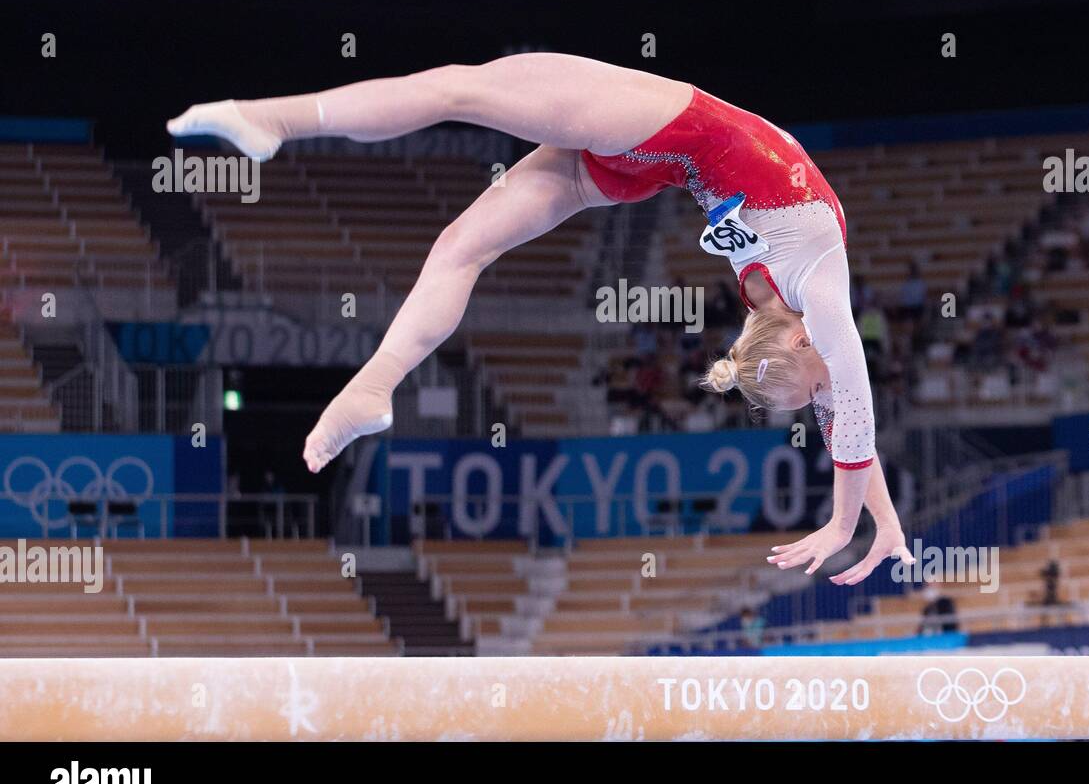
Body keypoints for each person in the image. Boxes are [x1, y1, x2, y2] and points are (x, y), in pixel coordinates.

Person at [168, 52, 913, 583]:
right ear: (808, 341)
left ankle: (274, 131)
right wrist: (854, 523)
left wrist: (876, 521)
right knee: (461, 197)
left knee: (461, 116)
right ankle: (371, 367)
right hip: (662, 134)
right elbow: (848, 398)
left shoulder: (778, 303)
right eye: (813, 385)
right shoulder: (818, 286)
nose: (819, 395)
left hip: (654, 148)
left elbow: (839, 409)